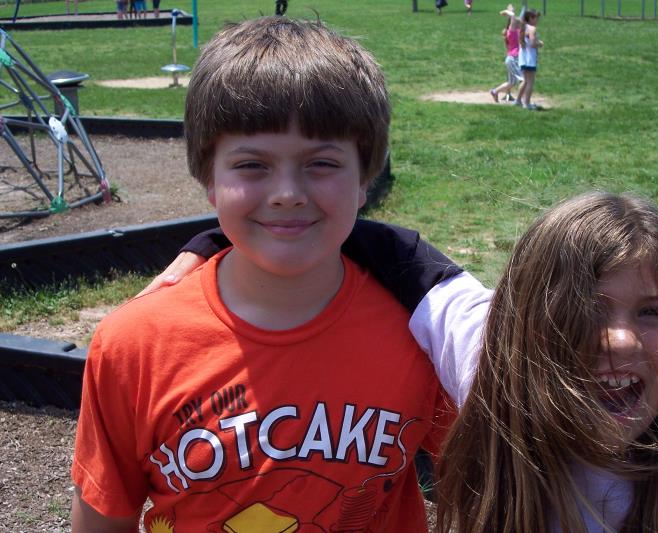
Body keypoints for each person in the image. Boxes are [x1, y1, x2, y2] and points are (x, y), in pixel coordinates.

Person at [144, 191, 658, 532]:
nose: (621, 340)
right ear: (524, 328)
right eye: (586, 310)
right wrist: (211, 241)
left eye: (653, 312)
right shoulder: (499, 368)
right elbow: (401, 254)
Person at [70, 16, 453, 533]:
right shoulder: (133, 345)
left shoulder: (424, 334)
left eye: (321, 163)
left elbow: (495, 485)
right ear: (208, 177)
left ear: (365, 178)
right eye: (252, 165)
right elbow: (102, 521)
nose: (287, 193)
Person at [489, 5, 523, 104]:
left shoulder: (516, 30)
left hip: (511, 59)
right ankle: (521, 101)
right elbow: (514, 19)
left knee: (511, 82)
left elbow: (520, 21)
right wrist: (510, 13)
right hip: (514, 59)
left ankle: (494, 91)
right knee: (523, 80)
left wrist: (511, 13)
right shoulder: (511, 32)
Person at [515, 9, 544, 111]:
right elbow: (532, 43)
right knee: (530, 82)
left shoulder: (523, 27)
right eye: (536, 18)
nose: (537, 20)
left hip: (523, 59)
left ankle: (518, 100)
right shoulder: (532, 29)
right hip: (530, 59)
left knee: (525, 81)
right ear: (531, 18)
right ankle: (526, 104)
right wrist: (540, 43)